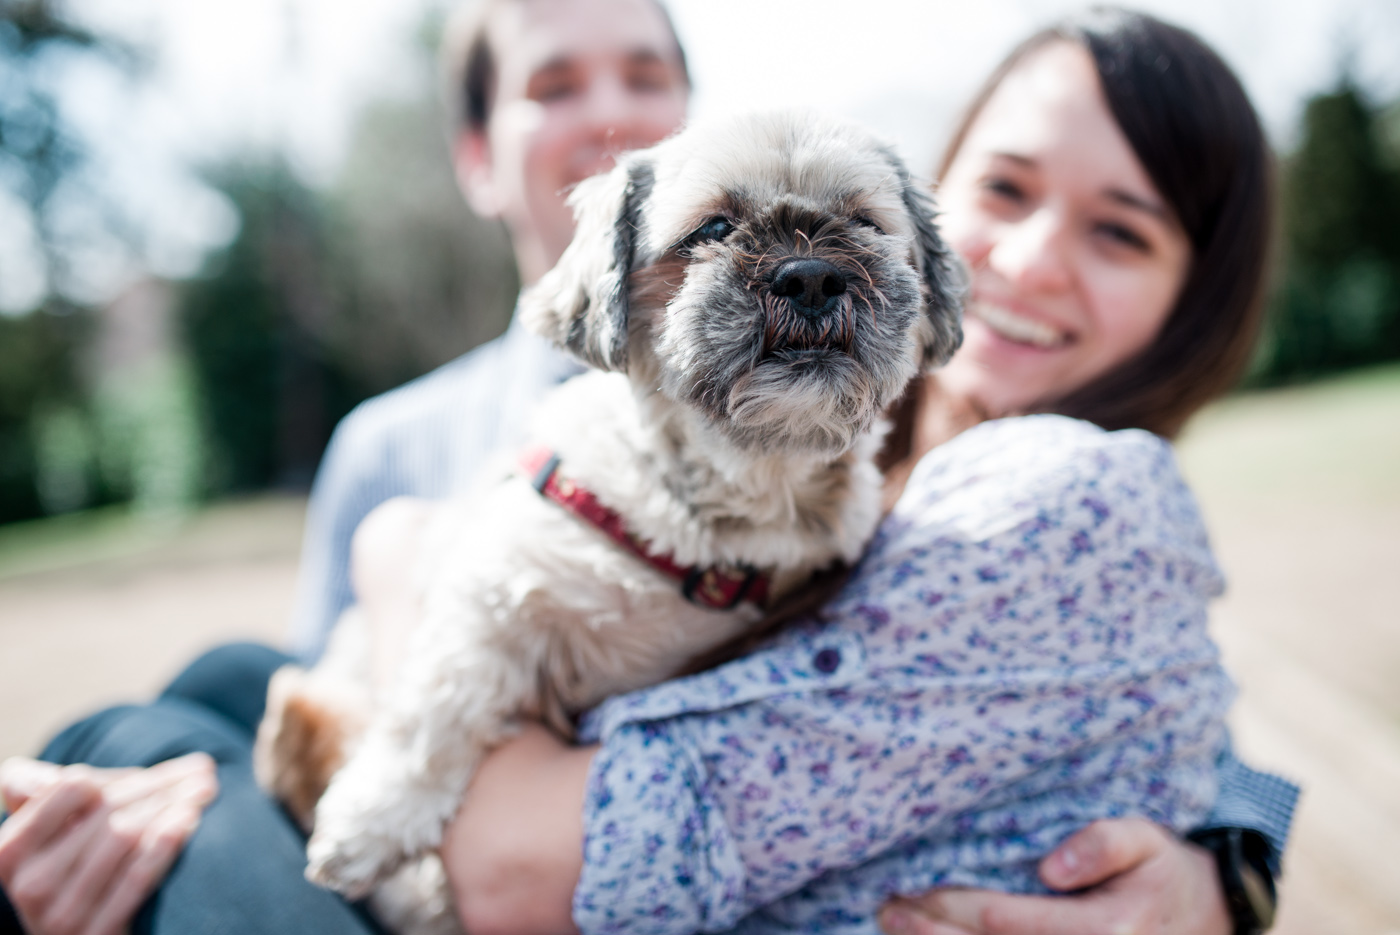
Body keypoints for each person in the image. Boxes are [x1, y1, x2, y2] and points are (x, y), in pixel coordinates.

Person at [0, 5, 1296, 935]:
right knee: (190, 712)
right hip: (404, 775)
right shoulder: (412, 432)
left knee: (144, 739)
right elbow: (333, 710)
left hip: (502, 860)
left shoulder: (1038, 503)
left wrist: (1221, 861)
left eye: (1122, 232)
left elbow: (1113, 674)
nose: (1028, 260)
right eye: (1006, 191)